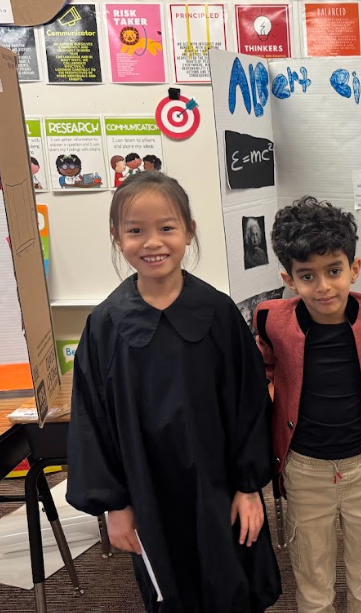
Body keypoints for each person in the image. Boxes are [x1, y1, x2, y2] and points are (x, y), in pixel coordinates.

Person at [66, 172, 281, 613]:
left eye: (166, 227)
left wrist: (248, 487)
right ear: (116, 236)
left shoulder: (218, 313)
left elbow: (249, 402)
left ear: (189, 230)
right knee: (169, 590)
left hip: (218, 486)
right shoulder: (105, 325)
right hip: (147, 489)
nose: (152, 243)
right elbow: (93, 422)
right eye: (135, 231)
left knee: (231, 583)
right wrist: (115, 506)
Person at [254, 196, 361, 613]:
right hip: (304, 467)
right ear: (289, 278)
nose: (324, 287)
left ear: (354, 268)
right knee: (312, 581)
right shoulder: (271, 319)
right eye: (307, 276)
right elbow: (264, 365)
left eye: (334, 271)